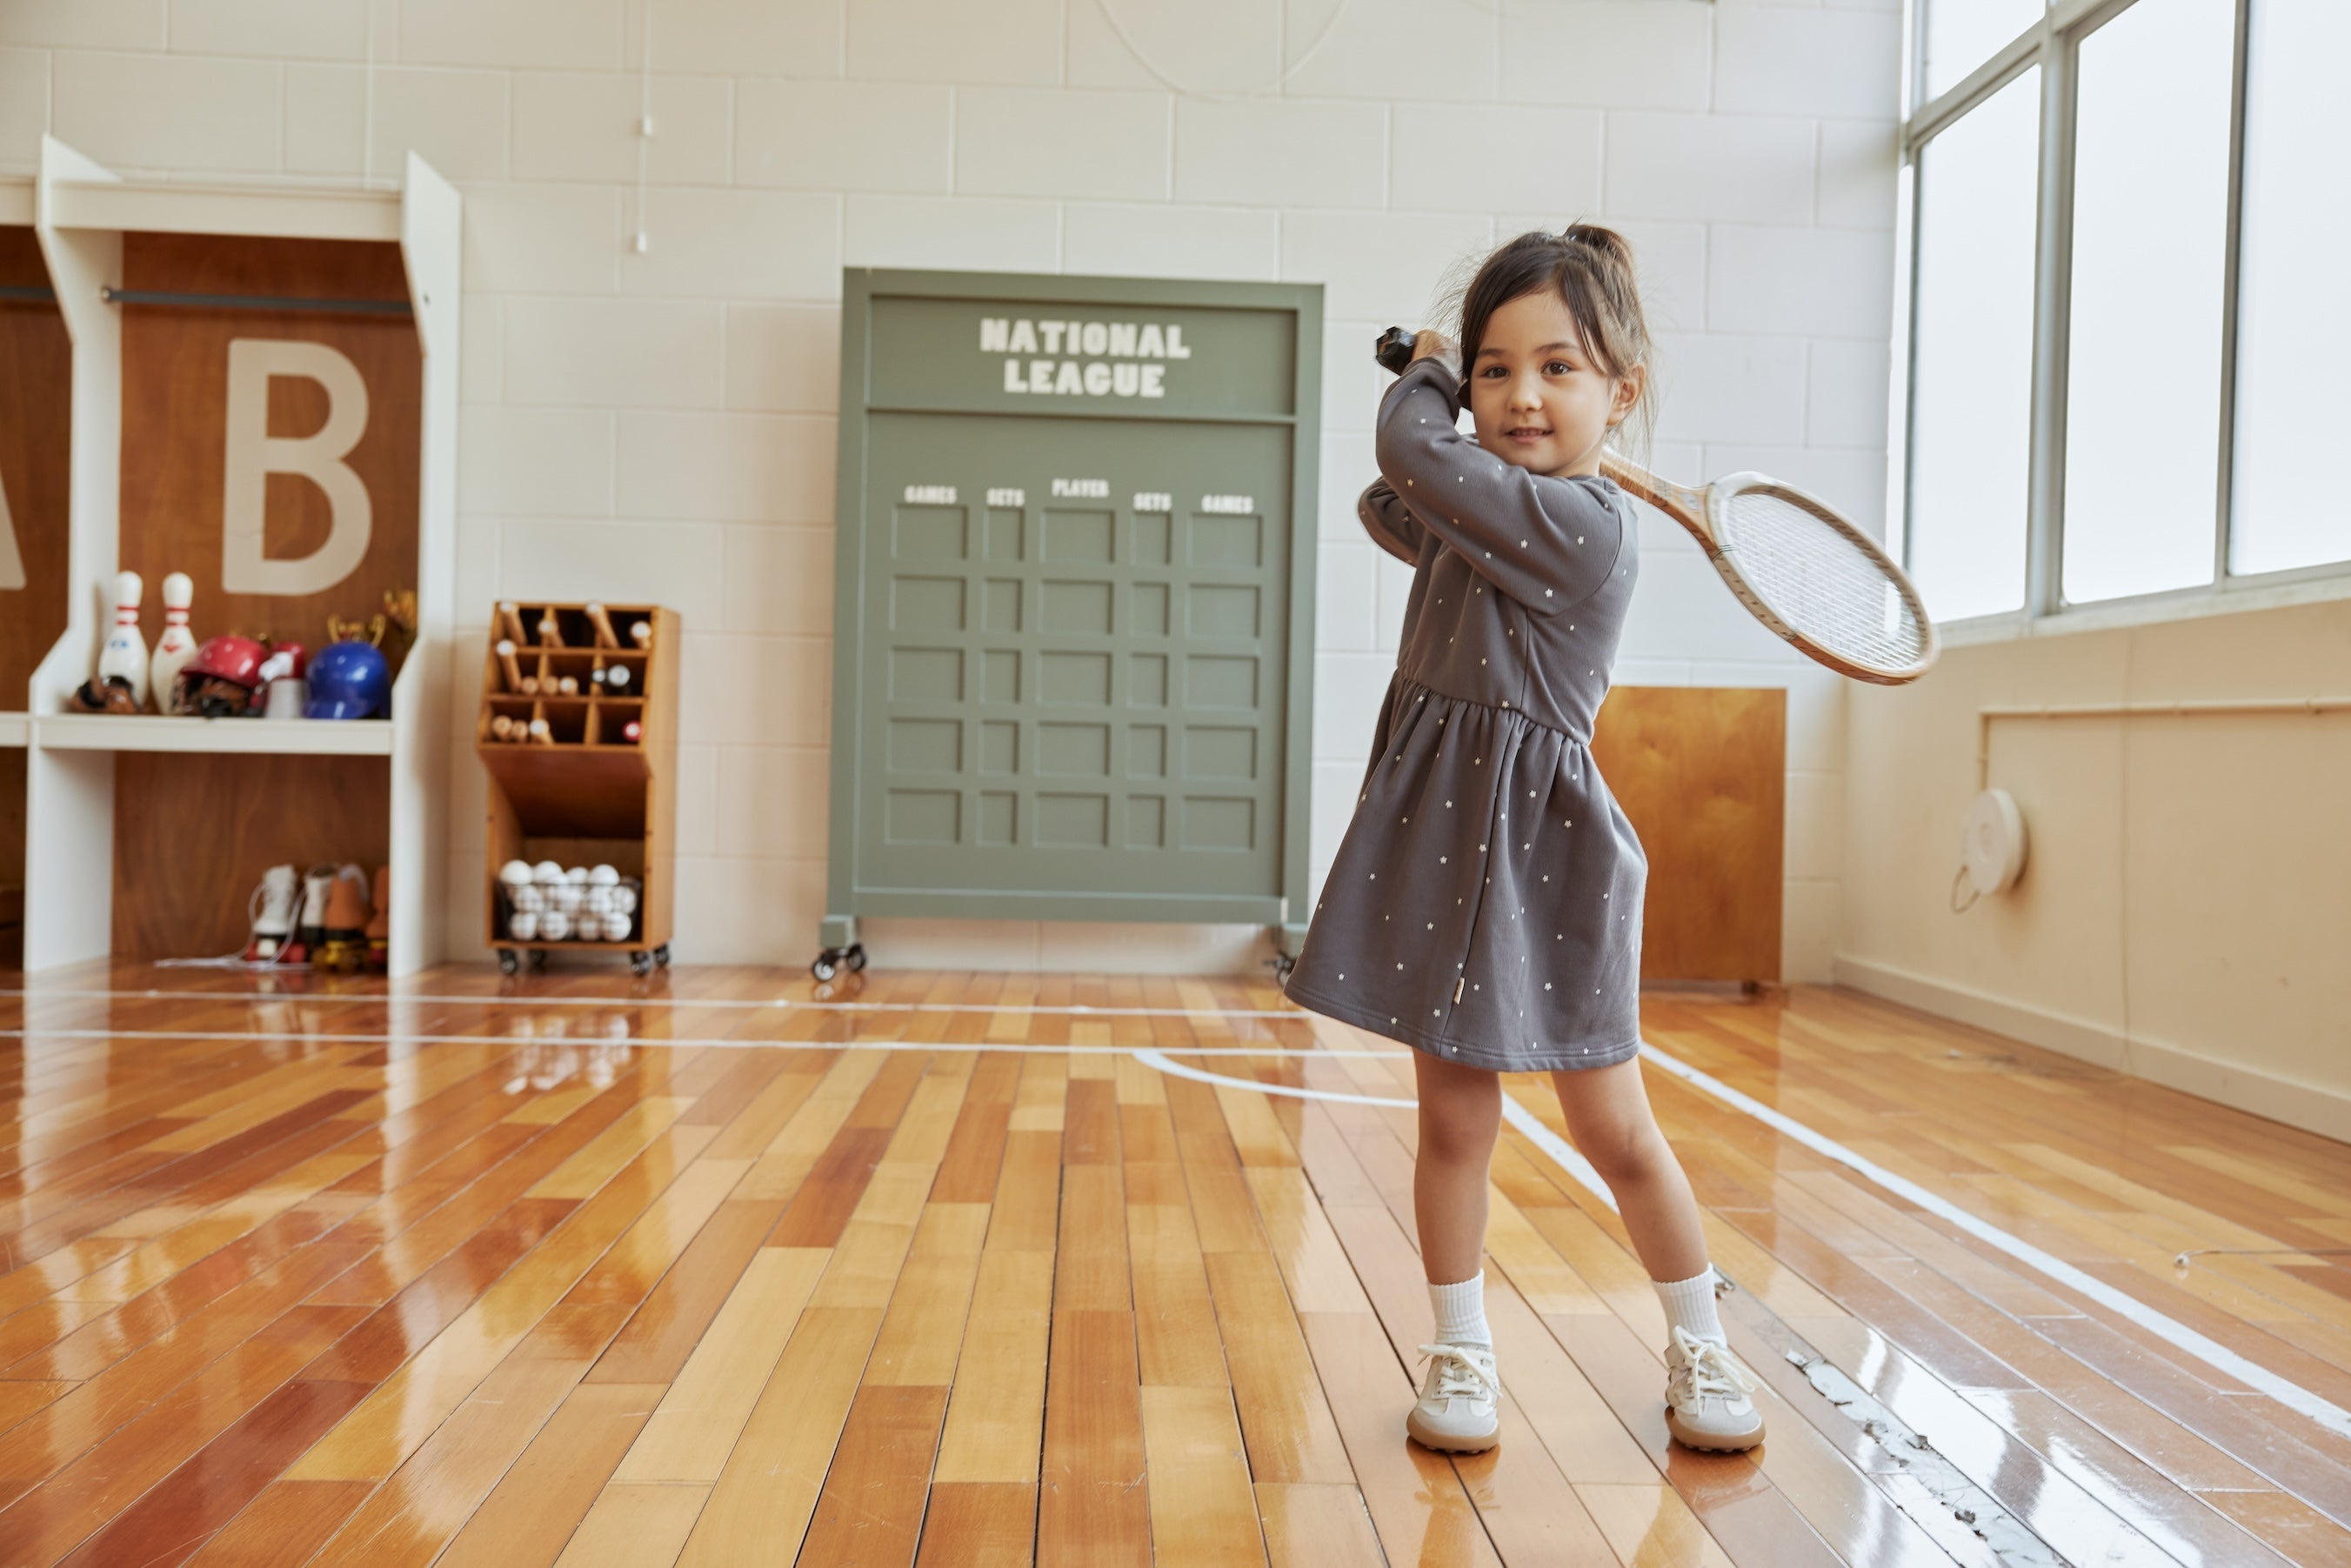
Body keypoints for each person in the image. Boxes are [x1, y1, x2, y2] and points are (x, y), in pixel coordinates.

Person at [1281, 224, 1763, 1455]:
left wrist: (1429, 375)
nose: (1522, 395)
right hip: (1445, 842)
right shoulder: (1502, 507)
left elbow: (1403, 450)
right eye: (1495, 370)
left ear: (1623, 393)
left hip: (1542, 861)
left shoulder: (1587, 529)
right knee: (1452, 1124)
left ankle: (1698, 1340)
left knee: (1616, 1129)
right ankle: (1461, 1349)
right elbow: (1395, 504)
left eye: (1559, 369)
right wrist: (1455, 451)